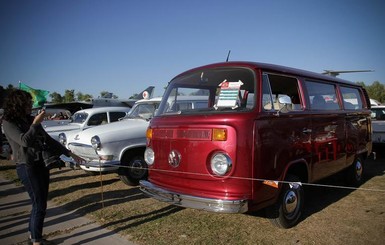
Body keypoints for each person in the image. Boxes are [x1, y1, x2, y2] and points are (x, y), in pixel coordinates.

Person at [2, 90, 86, 245]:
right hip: (27, 166)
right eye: (27, 103)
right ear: (18, 104)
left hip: (41, 163)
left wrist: (69, 153)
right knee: (39, 204)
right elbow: (24, 141)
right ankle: (36, 241)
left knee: (40, 203)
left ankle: (33, 235)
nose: (30, 105)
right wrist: (35, 123)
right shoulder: (8, 122)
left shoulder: (28, 119)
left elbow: (48, 139)